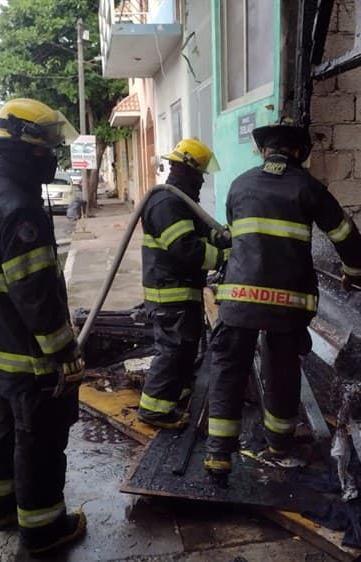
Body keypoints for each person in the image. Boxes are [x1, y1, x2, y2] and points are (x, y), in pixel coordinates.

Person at [203, 120, 361, 476]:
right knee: (282, 372)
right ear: (298, 153)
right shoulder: (308, 187)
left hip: (239, 300)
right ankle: (279, 446)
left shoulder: (240, 184)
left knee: (229, 371)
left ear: (264, 151)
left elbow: (234, 236)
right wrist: (355, 274)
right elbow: (345, 234)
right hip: (286, 306)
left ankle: (218, 453)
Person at [0, 98, 87, 555]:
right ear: (27, 149)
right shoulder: (21, 208)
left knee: (3, 432)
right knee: (39, 442)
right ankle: (43, 528)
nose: (52, 155)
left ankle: (0, 512)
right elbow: (34, 296)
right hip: (31, 359)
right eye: (48, 147)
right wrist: (65, 354)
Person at [136, 138, 228, 429]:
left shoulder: (182, 200)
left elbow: (207, 231)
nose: (202, 179)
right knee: (173, 349)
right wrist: (227, 257)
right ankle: (153, 410)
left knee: (186, 347)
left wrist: (234, 236)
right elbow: (186, 249)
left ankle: (175, 399)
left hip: (180, 291)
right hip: (169, 292)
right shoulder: (167, 203)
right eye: (200, 173)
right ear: (186, 169)